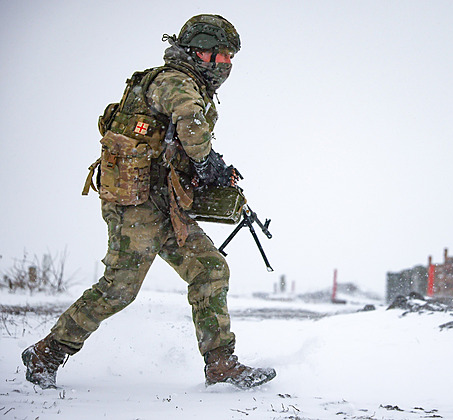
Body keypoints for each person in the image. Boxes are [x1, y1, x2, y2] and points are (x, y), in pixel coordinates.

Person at [21, 14, 276, 390]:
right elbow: (189, 119)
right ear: (197, 52)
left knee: (210, 269)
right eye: (219, 55)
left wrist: (212, 170)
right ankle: (47, 352)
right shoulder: (173, 80)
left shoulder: (189, 84)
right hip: (134, 203)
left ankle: (220, 364)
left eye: (230, 58)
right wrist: (208, 162)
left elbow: (180, 141)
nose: (225, 65)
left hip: (164, 202)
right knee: (119, 288)